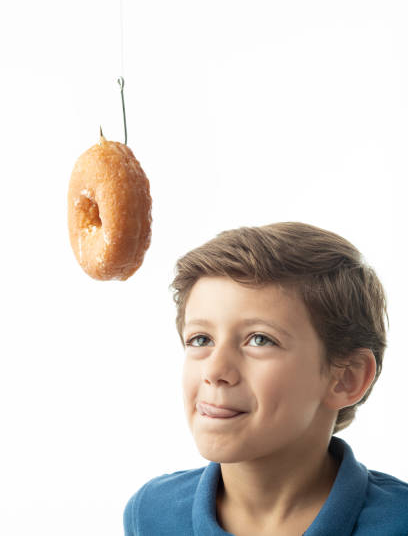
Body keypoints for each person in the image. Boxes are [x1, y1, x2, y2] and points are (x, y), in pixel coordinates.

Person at [123, 221, 408, 535]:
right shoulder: (151, 513)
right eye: (201, 340)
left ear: (346, 378)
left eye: (259, 340)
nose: (215, 372)